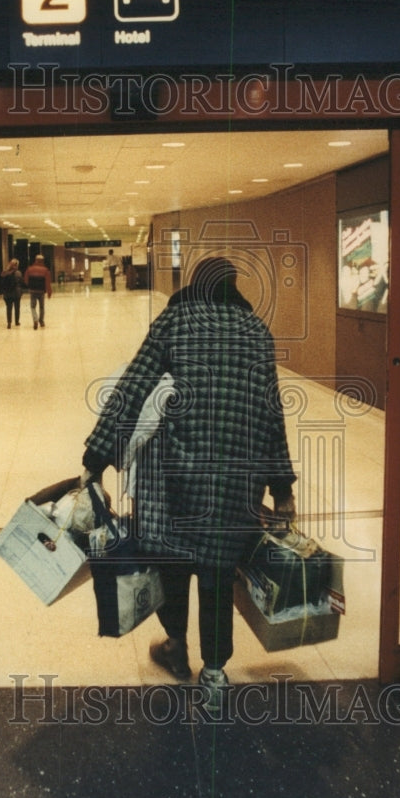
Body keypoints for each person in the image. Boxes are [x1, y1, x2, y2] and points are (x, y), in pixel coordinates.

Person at [81, 256, 296, 712]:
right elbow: (271, 414)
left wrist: (97, 455)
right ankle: (215, 673)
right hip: (236, 479)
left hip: (176, 475)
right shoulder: (257, 334)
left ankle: (176, 647)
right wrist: (281, 486)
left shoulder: (175, 321)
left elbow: (134, 387)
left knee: (173, 563)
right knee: (218, 574)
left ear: (195, 285)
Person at [23, 253, 53, 329]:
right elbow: (47, 282)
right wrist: (49, 292)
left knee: (33, 307)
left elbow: (26, 280)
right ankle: (41, 321)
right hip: (41, 291)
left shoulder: (29, 269)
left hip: (32, 290)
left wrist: (29, 285)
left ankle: (35, 319)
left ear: (35, 260)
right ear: (42, 261)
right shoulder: (45, 270)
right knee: (42, 307)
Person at [0, 258, 24, 329]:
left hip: (7, 293)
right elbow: (21, 283)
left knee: (9, 308)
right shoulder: (18, 273)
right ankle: (17, 321)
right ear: (17, 265)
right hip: (16, 293)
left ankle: (9, 323)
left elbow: (1, 281)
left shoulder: (4, 272)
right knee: (17, 307)